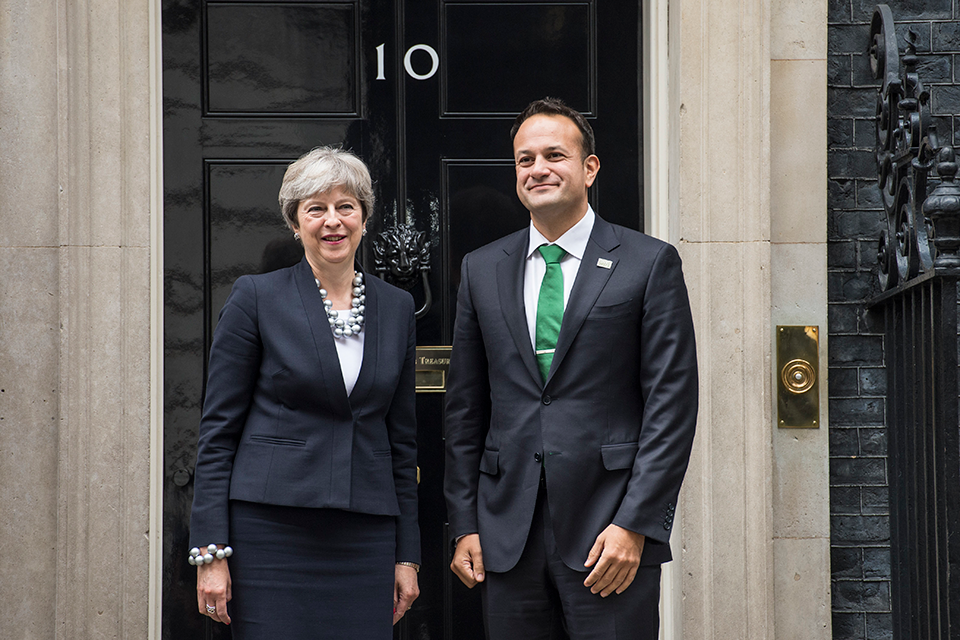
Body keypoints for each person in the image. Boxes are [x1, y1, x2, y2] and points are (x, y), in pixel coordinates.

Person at [444, 97, 698, 640]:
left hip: (610, 535)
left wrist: (635, 523)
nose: (538, 169)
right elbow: (465, 408)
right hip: (506, 535)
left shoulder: (648, 263)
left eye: (554, 155)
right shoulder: (481, 269)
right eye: (525, 159)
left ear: (590, 168)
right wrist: (464, 523)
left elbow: (671, 408)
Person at [189, 146, 420, 639]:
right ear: (295, 223)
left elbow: (401, 442)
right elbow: (218, 434)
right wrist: (210, 552)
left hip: (365, 537)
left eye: (346, 206)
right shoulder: (256, 298)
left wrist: (408, 556)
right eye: (316, 208)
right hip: (270, 534)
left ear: (364, 219)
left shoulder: (397, 307)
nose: (332, 221)